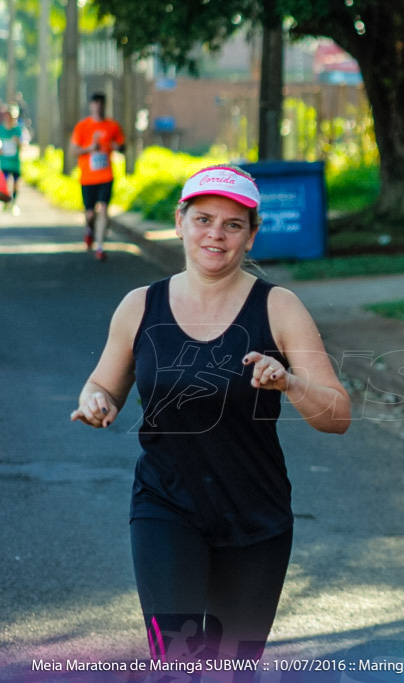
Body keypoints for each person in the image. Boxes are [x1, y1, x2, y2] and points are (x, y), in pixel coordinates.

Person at [70, 165, 352, 667]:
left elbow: (338, 415)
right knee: (176, 665)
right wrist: (96, 400)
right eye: (203, 219)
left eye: (232, 224)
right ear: (180, 222)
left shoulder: (279, 308)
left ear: (252, 234)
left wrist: (288, 381)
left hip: (255, 519)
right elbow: (102, 384)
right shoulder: (140, 306)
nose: (215, 235)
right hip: (166, 509)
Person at [69, 92, 125, 261]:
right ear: (91, 105)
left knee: (103, 209)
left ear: (104, 105)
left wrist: (118, 147)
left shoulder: (112, 126)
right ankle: (89, 230)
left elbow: (123, 146)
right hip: (87, 177)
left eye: (101, 104)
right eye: (95, 104)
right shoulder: (82, 126)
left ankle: (100, 246)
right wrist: (89, 149)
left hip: (106, 176)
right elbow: (73, 151)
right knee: (90, 213)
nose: (98, 107)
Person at [0, 104, 22, 213]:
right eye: (7, 116)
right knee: (5, 183)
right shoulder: (1, 129)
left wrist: (18, 141)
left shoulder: (17, 129)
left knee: (16, 183)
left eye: (11, 117)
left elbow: (22, 145)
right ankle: (6, 202)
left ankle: (13, 203)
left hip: (15, 162)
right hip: (4, 162)